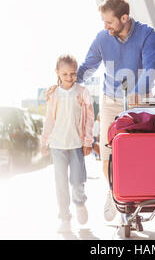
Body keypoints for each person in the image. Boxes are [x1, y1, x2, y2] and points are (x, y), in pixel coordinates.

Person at [46, 0, 155, 222]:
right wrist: (62, 84)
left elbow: (151, 68)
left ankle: (137, 195)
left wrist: (137, 91)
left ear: (124, 18)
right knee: (108, 152)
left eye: (109, 22)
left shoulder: (146, 34)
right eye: (103, 22)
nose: (105, 27)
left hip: (138, 101)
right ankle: (114, 193)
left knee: (138, 152)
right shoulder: (102, 38)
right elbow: (87, 67)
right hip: (110, 100)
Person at [40, 54, 95, 233]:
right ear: (57, 73)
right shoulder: (53, 94)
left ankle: (80, 203)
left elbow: (89, 118)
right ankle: (64, 218)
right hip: (57, 146)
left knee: (78, 180)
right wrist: (44, 140)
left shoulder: (82, 92)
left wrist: (88, 140)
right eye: (65, 74)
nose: (69, 77)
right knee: (61, 184)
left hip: (76, 144)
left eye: (72, 73)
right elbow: (49, 119)